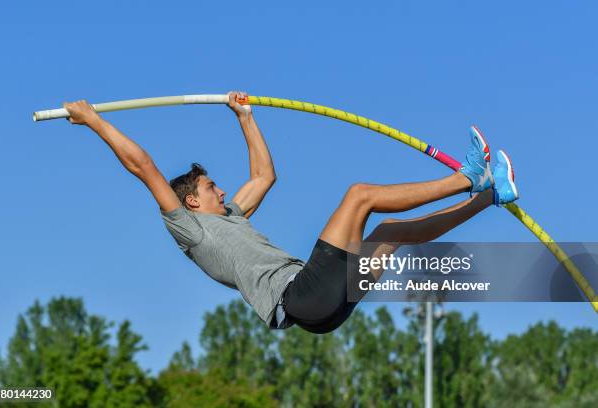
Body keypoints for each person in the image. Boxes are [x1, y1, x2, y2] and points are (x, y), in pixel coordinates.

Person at [63, 91, 518, 334]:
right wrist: (95, 121)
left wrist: (244, 118)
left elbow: (264, 176)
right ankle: (469, 178)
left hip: (321, 311)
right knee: (359, 195)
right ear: (191, 202)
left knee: (389, 233)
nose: (221, 190)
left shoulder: (230, 218)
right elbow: (143, 166)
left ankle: (489, 196)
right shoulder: (191, 229)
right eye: (210, 187)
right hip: (301, 296)